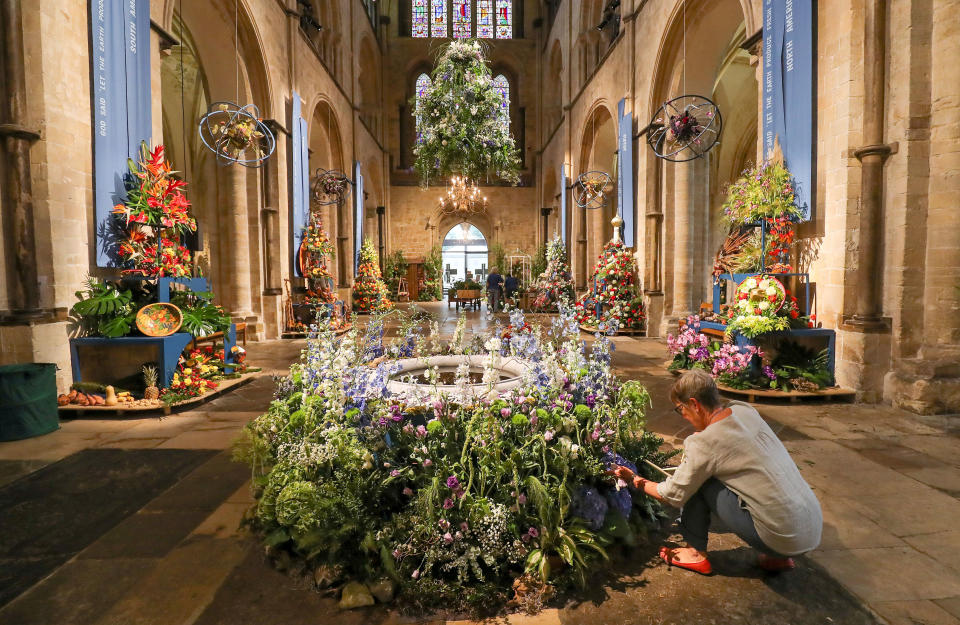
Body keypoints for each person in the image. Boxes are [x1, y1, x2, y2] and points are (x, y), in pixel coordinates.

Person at [610, 369, 822, 575]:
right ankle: (778, 557)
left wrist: (634, 479)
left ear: (694, 404)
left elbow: (673, 495)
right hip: (810, 528)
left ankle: (694, 552)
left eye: (680, 409)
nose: (682, 416)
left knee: (700, 480)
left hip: (781, 538)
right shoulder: (745, 411)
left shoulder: (704, 443)